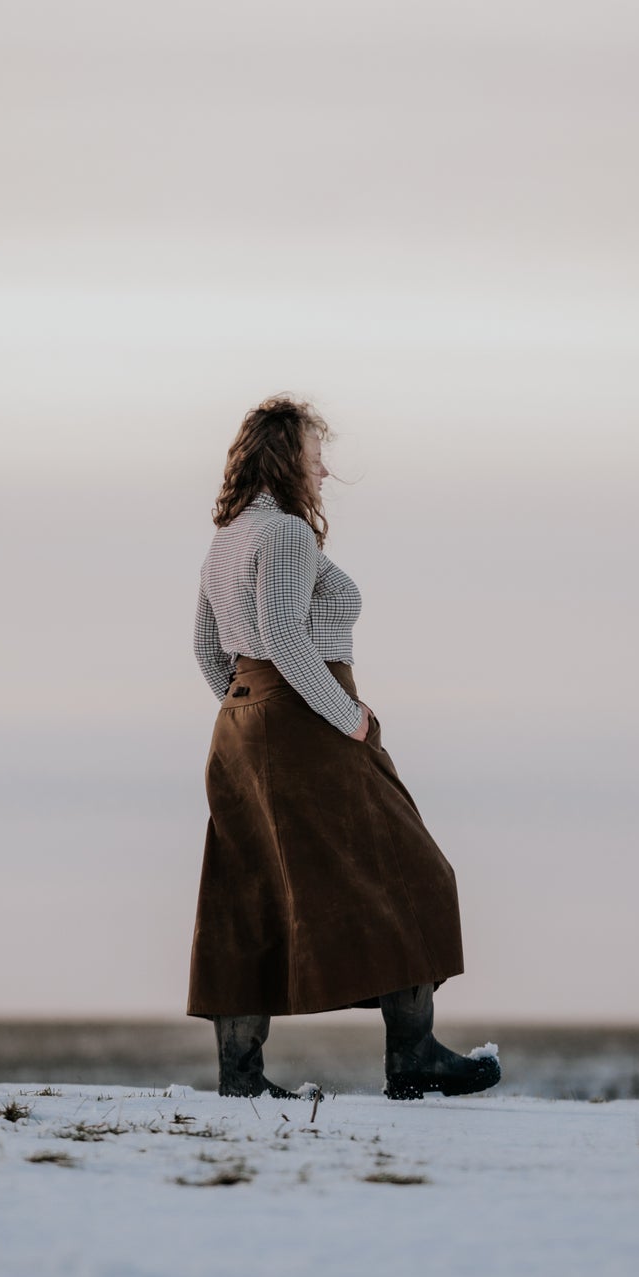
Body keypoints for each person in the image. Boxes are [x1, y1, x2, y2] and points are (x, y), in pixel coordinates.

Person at [188, 395, 501, 1101]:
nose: (323, 468)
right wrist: (345, 716)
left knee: (247, 894)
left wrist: (249, 711)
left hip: (241, 727)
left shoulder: (227, 537)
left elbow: (210, 651)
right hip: (306, 718)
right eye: (313, 452)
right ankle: (412, 1056)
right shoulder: (288, 533)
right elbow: (283, 634)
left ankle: (240, 1074)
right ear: (284, 457)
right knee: (416, 872)